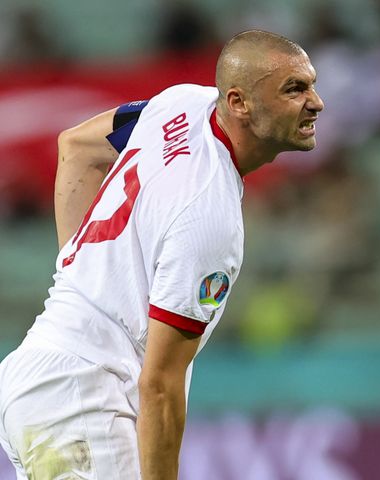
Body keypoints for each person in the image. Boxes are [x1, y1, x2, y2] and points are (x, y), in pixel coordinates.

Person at [0, 29, 324, 480]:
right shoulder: (211, 217)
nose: (316, 102)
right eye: (295, 89)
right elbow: (159, 386)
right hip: (85, 397)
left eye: (310, 84)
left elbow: (75, 146)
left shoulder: (180, 104)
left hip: (37, 374)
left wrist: (81, 278)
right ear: (239, 102)